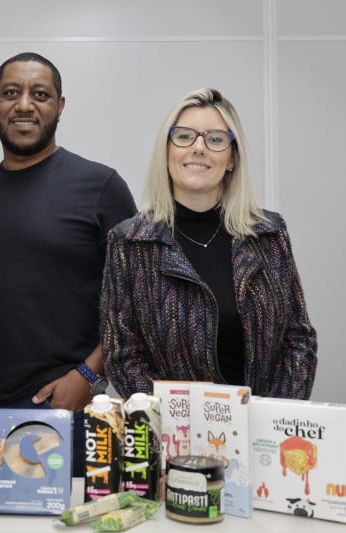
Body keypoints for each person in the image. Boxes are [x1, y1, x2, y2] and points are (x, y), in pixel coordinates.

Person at [0, 52, 137, 476]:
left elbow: (134, 301)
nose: (24, 104)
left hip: (65, 408)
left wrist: (88, 377)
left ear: (59, 106)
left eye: (39, 94)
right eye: (11, 93)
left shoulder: (102, 187)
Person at [101, 88, 316, 400]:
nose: (198, 148)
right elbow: (122, 356)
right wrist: (188, 427)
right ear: (167, 152)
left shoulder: (268, 234)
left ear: (231, 158)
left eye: (215, 139)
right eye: (184, 136)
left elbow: (298, 339)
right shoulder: (130, 243)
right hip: (175, 441)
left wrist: (268, 421)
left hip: (262, 438)